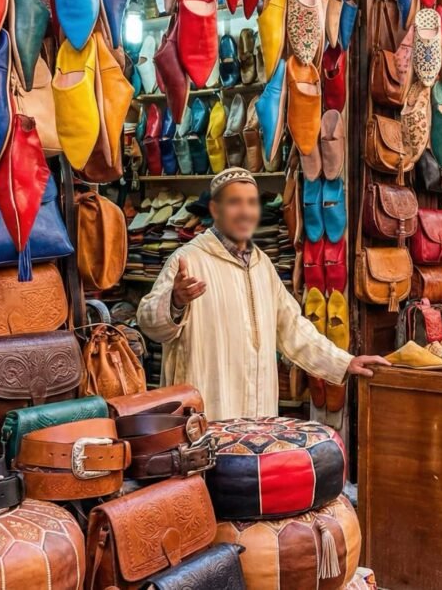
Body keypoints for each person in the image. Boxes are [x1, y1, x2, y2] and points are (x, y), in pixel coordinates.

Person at [137, 167, 389, 420]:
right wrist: (175, 301)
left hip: (258, 416)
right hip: (206, 410)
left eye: (251, 203)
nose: (245, 211)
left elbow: (292, 328)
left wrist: (344, 362)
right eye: (235, 202)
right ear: (215, 210)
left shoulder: (262, 265)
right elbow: (149, 323)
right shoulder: (189, 260)